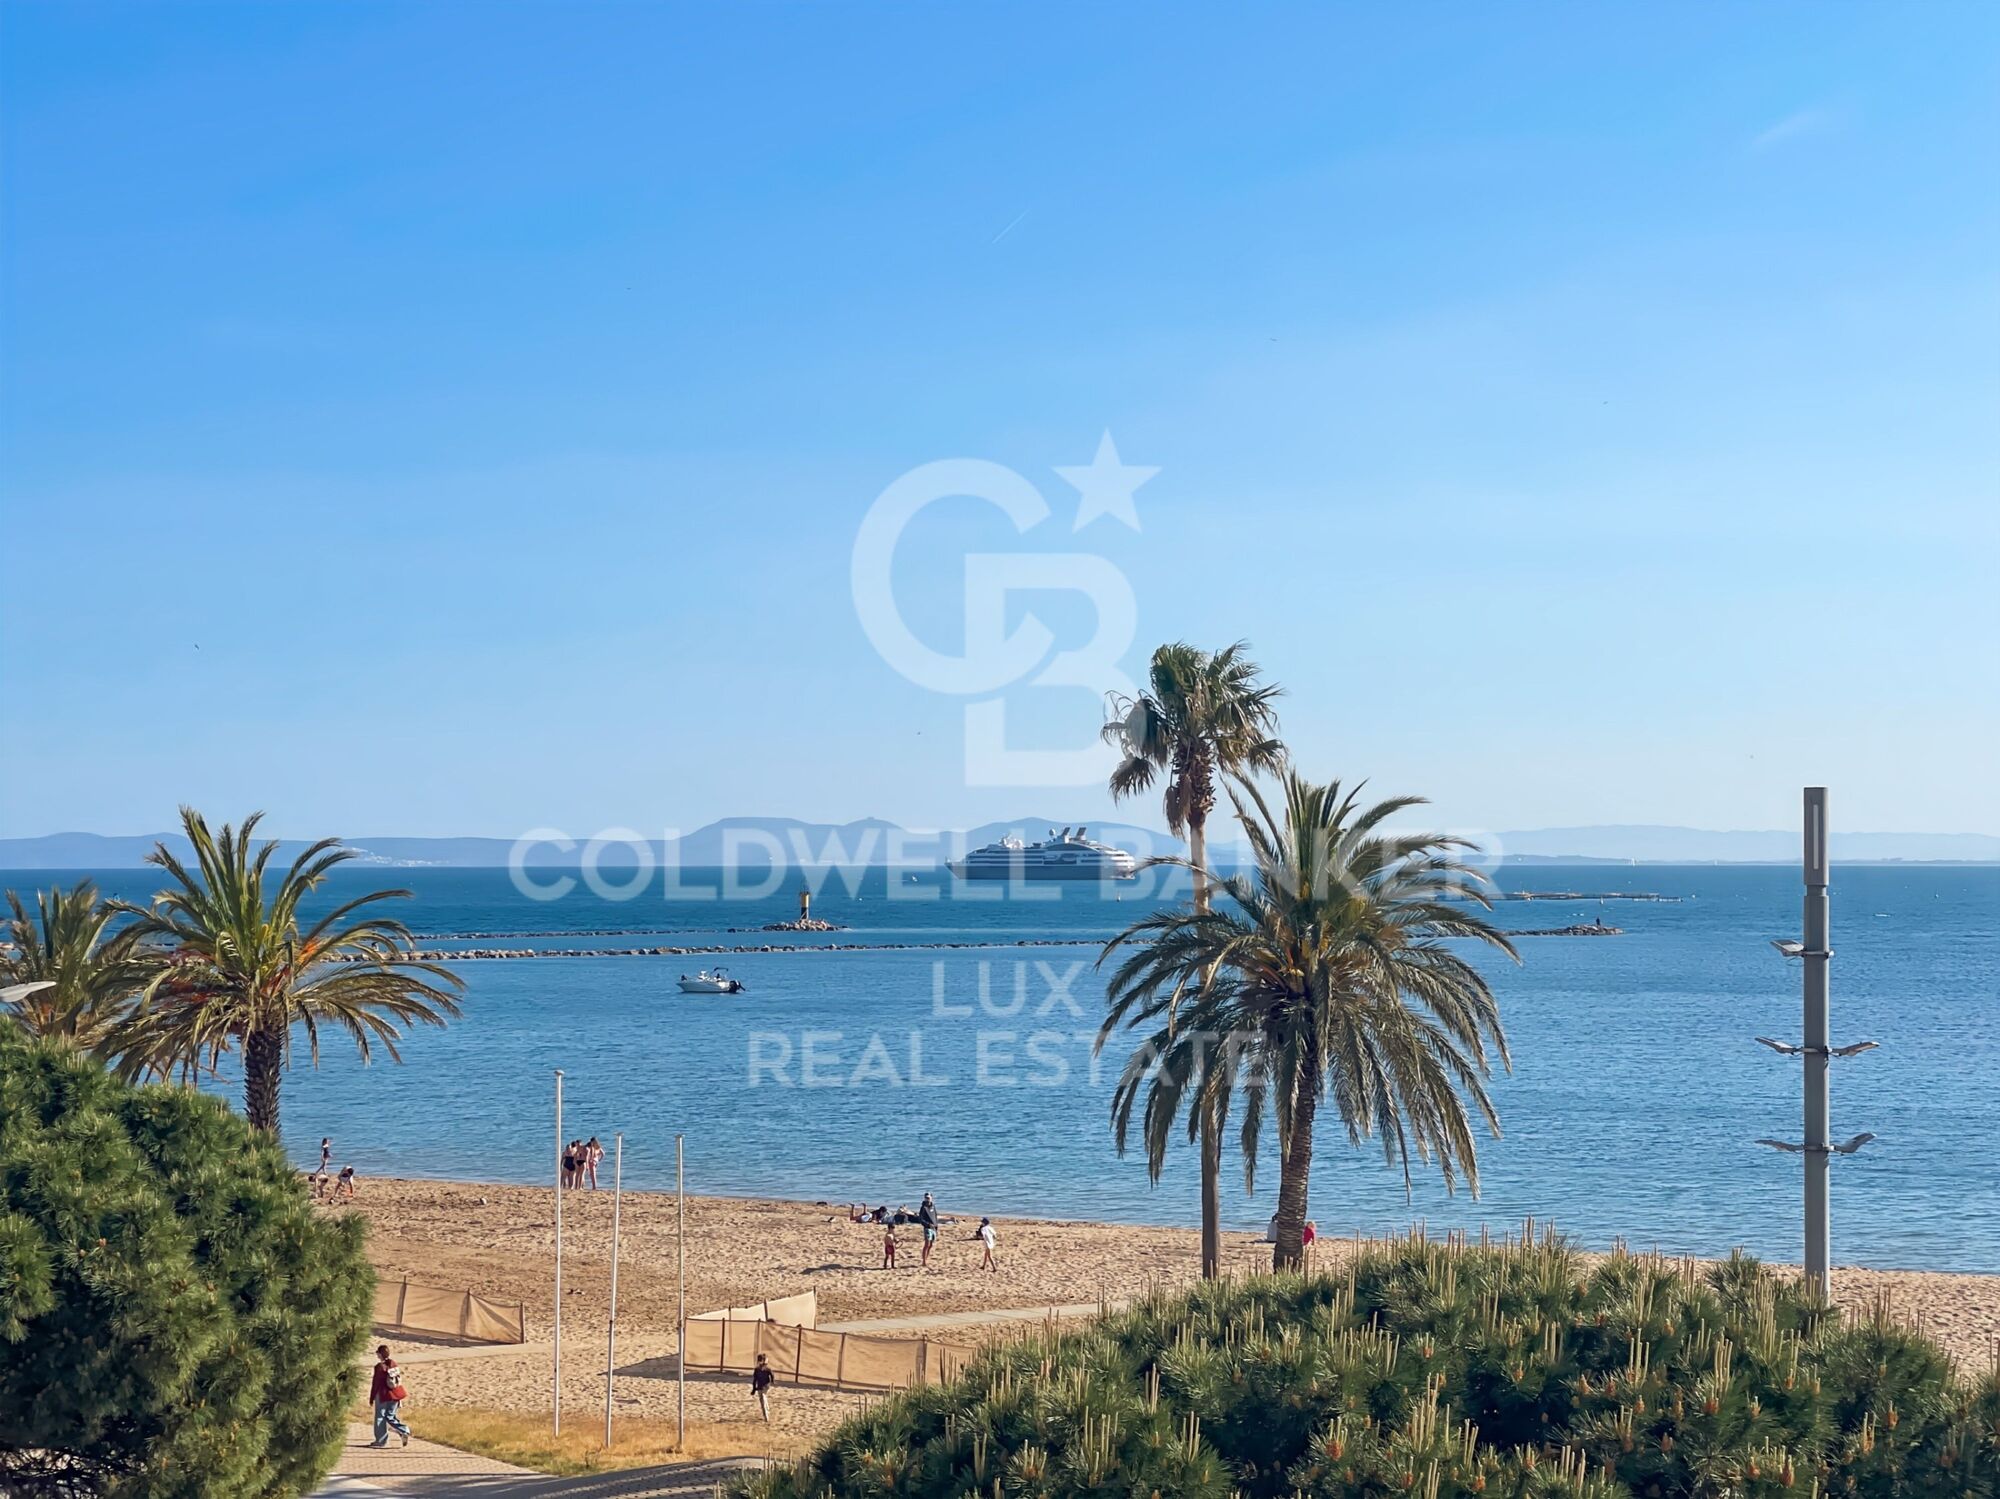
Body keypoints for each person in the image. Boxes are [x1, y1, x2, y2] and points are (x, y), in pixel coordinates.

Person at [368, 1345, 412, 1448]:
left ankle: (381, 1441)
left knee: (380, 1417)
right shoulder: (393, 1364)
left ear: (379, 1354)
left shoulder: (379, 1367)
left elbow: (376, 1384)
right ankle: (404, 1430)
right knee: (390, 1416)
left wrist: (372, 1397)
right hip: (396, 1394)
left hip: (383, 1395)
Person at [750, 1352, 775, 1421]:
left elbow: (772, 1375)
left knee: (763, 1396)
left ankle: (766, 1414)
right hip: (760, 1386)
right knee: (762, 1398)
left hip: (765, 1385)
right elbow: (755, 1380)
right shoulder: (757, 1370)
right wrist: (754, 1389)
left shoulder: (767, 1369)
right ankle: (766, 1410)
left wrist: (772, 1380)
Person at [917, 1192, 939, 1268]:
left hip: (934, 1228)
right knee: (927, 1244)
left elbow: (935, 1216)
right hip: (927, 1228)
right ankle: (924, 1261)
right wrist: (927, 1224)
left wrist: (936, 1226)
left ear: (931, 1198)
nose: (927, 1199)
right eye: (926, 1198)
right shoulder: (923, 1208)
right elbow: (920, 1219)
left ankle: (926, 1258)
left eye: (929, 1198)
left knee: (931, 1245)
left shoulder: (933, 1206)